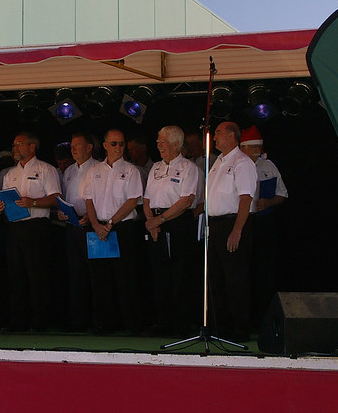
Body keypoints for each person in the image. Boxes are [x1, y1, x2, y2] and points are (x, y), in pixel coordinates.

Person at [0, 131, 61, 332]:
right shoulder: (9, 174)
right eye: (14, 145)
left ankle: (40, 321)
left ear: (32, 147)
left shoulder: (46, 169)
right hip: (15, 226)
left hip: (36, 227)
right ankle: (18, 320)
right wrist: (1, 206)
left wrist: (33, 202)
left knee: (37, 274)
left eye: (20, 144)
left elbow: (56, 198)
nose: (15, 149)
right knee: (16, 275)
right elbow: (6, 199)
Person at [142, 125, 202, 335]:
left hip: (177, 221)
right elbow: (147, 198)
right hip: (156, 223)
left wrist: (161, 219)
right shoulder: (156, 167)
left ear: (176, 144)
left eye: (163, 141)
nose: (159, 145)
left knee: (181, 272)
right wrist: (151, 221)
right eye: (158, 142)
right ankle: (162, 321)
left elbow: (186, 200)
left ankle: (182, 323)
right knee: (160, 273)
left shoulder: (188, 168)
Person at [83, 129, 143, 334]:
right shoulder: (94, 170)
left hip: (121, 227)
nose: (118, 148)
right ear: (105, 145)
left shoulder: (131, 170)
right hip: (98, 228)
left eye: (122, 144)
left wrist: (110, 223)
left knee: (125, 277)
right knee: (100, 277)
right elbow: (88, 199)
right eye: (114, 143)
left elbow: (133, 200)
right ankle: (104, 323)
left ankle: (131, 323)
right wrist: (95, 225)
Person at [205, 121, 258, 342]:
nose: (214, 137)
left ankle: (240, 328)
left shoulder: (242, 162)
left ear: (231, 135)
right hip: (215, 224)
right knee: (215, 279)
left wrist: (237, 230)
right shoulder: (219, 161)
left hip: (233, 223)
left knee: (235, 278)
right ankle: (221, 327)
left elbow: (246, 198)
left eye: (218, 133)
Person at [239, 125, 289, 326]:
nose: (256, 151)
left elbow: (282, 194)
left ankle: (264, 319)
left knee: (264, 270)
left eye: (258, 147)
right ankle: (243, 318)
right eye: (252, 147)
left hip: (263, 222)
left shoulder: (268, 166)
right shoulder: (235, 166)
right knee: (244, 270)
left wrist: (268, 202)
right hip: (242, 221)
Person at [59, 132, 98, 331]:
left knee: (94, 273)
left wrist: (92, 217)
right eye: (71, 146)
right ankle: (78, 320)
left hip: (92, 225)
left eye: (77, 145)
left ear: (89, 147)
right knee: (75, 273)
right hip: (73, 226)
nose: (73, 150)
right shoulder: (69, 172)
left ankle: (96, 319)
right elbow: (65, 198)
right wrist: (61, 213)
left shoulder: (98, 168)